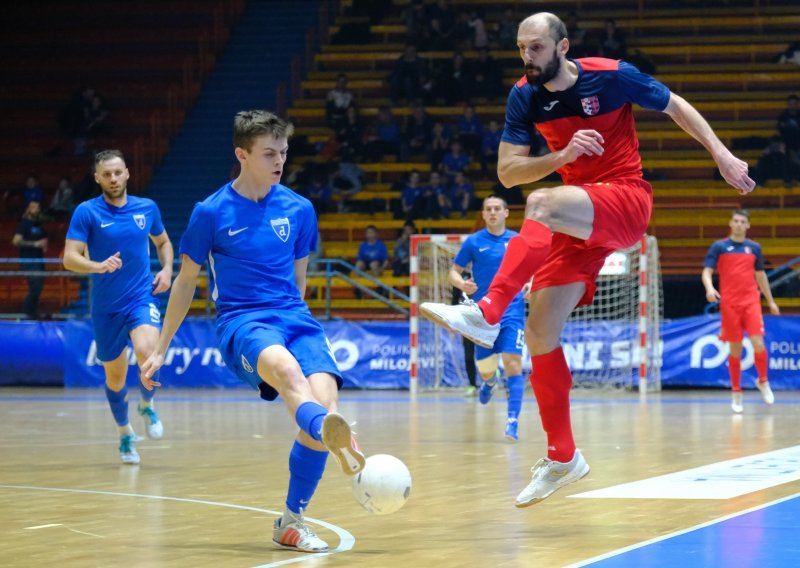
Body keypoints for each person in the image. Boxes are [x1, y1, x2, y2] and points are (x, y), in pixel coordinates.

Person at [419, 12, 755, 508]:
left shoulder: (612, 75)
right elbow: (508, 172)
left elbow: (676, 106)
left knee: (538, 204)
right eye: (520, 49)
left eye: (535, 48)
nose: (527, 57)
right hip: (579, 216)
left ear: (563, 46)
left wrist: (721, 155)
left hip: (625, 200)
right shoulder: (524, 95)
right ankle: (563, 456)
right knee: (539, 333)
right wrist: (561, 156)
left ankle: (488, 312)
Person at [140, 111, 365, 553]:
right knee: (286, 373)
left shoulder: (299, 209)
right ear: (242, 154)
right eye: (269, 153)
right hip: (243, 321)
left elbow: (299, 280)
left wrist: (299, 323)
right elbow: (186, 282)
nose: (279, 160)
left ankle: (291, 520)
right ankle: (338, 438)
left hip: (295, 317)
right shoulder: (211, 211)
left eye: (283, 151)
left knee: (325, 402)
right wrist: (161, 348)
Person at [63, 149, 173, 464]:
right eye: (106, 174)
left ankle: (147, 404)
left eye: (117, 172)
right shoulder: (87, 212)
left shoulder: (146, 208)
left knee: (148, 352)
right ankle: (125, 433)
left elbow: (163, 242)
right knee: (116, 378)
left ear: (127, 173)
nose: (113, 179)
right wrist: (97, 266)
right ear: (97, 178)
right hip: (106, 307)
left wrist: (166, 270)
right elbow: (70, 257)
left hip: (140, 297)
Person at [449, 196, 526, 440]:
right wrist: (462, 283)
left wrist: (532, 283)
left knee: (513, 363)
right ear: (483, 214)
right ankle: (490, 382)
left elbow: (533, 268)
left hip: (512, 309)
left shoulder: (517, 240)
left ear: (505, 213)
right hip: (483, 311)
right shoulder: (473, 242)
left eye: (497, 209)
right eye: (488, 209)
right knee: (486, 370)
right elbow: (453, 271)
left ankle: (512, 421)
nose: (492, 212)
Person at [702, 209, 780, 414]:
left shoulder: (754, 248)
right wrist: (710, 288)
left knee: (758, 343)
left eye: (742, 221)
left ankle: (763, 381)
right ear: (730, 223)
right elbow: (707, 271)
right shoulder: (719, 246)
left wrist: (770, 301)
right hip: (729, 304)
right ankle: (736, 392)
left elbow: (761, 276)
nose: (738, 224)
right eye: (735, 221)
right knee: (735, 350)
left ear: (748, 225)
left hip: (751, 302)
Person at [12, 200, 48, 318]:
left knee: (38, 288)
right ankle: (25, 314)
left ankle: (31, 313)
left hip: (39, 260)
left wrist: (43, 244)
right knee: (35, 287)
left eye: (37, 207)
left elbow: (43, 241)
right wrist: (34, 244)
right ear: (28, 209)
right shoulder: (24, 224)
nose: (35, 209)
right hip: (28, 260)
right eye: (33, 207)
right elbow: (16, 241)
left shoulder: (39, 225)